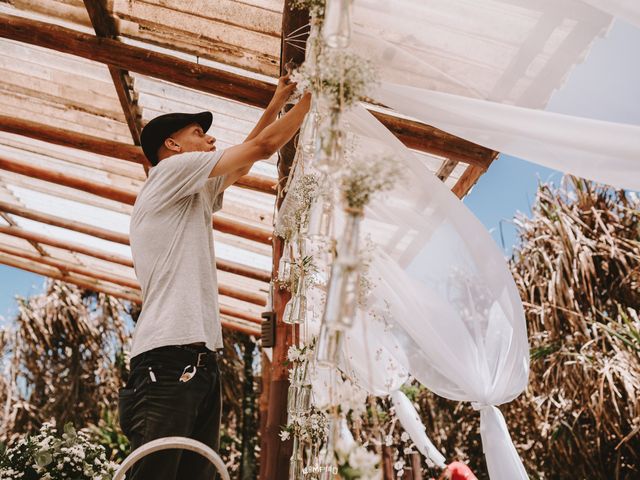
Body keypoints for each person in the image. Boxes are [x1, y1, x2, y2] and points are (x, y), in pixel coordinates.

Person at [118, 76, 310, 480]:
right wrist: (315, 97)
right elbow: (262, 148)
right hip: (167, 358)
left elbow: (245, 159)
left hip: (199, 360)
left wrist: (276, 102)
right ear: (172, 145)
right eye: (199, 133)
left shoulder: (190, 190)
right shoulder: (170, 173)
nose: (210, 140)